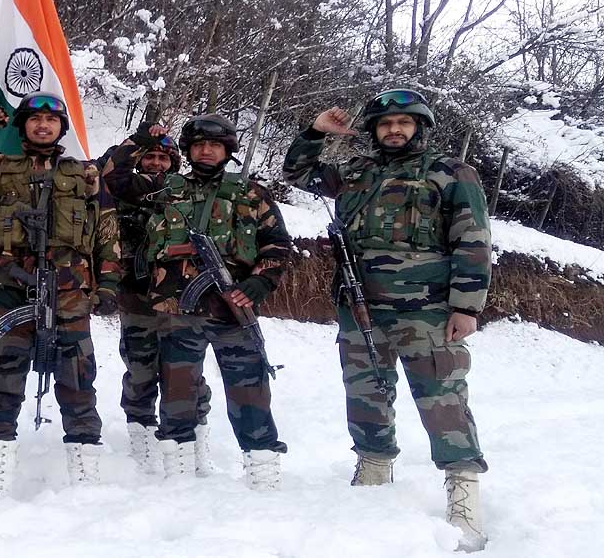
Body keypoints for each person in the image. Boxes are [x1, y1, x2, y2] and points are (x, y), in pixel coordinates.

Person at [282, 88, 491, 551]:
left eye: (404, 123)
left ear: (418, 126)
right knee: (365, 393)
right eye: (385, 124)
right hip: (360, 307)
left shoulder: (451, 172)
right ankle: (374, 467)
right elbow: (295, 172)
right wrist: (317, 133)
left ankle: (463, 489)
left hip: (429, 311)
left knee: (442, 399)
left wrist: (466, 306)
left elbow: (473, 241)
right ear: (375, 131)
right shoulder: (357, 170)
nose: (394, 130)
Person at [0, 93, 121, 497]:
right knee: (2, 381)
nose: (43, 125)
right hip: (8, 292)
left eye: (52, 120)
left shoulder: (85, 174)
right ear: (22, 128)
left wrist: (107, 284)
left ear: (62, 128)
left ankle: (84, 477)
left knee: (79, 382)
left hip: (68, 292)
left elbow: (106, 231)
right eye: (34, 119)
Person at [131, 114, 290, 489]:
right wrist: (140, 140)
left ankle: (262, 466)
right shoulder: (165, 191)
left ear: (227, 150)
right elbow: (115, 181)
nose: (206, 151)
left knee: (248, 387)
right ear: (187, 150)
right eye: (199, 144)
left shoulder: (251, 194)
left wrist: (260, 282)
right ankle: (179, 469)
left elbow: (277, 244)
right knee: (176, 388)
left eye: (215, 145)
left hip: (232, 306)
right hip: (176, 309)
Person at [101, 123, 213, 476]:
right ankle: (142, 438)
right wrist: (141, 139)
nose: (155, 163)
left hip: (182, 297)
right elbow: (110, 171)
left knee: (186, 371)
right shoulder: (130, 189)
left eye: (163, 158)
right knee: (140, 368)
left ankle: (196, 440)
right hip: (136, 295)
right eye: (149, 157)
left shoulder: (187, 194)